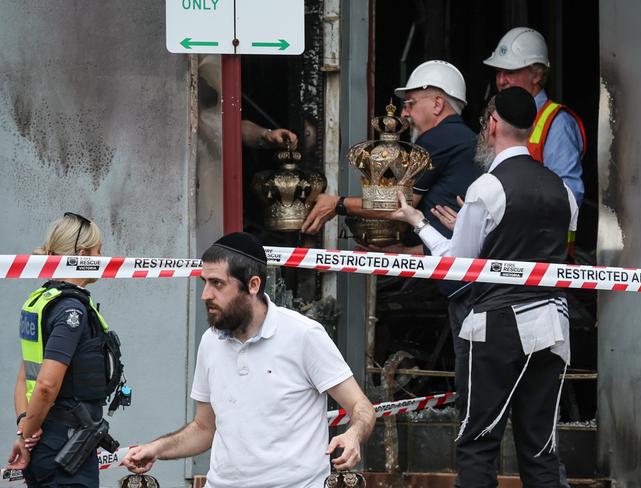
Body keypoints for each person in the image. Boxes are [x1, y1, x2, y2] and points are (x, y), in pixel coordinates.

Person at [390, 87, 579, 487]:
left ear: (492, 125)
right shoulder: (563, 192)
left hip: (498, 326)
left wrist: (417, 222)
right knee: (541, 451)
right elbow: (541, 247)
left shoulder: (487, 188)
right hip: (554, 326)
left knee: (478, 445)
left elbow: (458, 266)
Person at [122, 232, 375, 487]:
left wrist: (353, 434)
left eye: (217, 284)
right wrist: (156, 448)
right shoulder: (211, 341)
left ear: (253, 285)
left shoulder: (304, 335)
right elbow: (204, 427)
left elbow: (361, 407)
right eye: (204, 282)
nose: (205, 295)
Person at [301, 60, 482, 253]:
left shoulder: (439, 138)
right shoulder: (465, 138)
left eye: (410, 103)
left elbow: (397, 205)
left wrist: (337, 203)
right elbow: (448, 236)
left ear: (437, 104)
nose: (404, 113)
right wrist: (402, 253)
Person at [7, 213, 126, 488]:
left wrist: (25, 430)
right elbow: (47, 385)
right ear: (82, 255)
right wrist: (27, 434)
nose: (102, 258)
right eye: (99, 251)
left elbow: (24, 379)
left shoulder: (43, 301)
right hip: (66, 446)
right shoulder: (71, 310)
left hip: (49, 441)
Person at [484, 26, 586, 207]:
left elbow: (568, 197)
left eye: (511, 72)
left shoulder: (557, 123)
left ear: (537, 75)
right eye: (498, 72)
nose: (500, 81)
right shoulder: (499, 115)